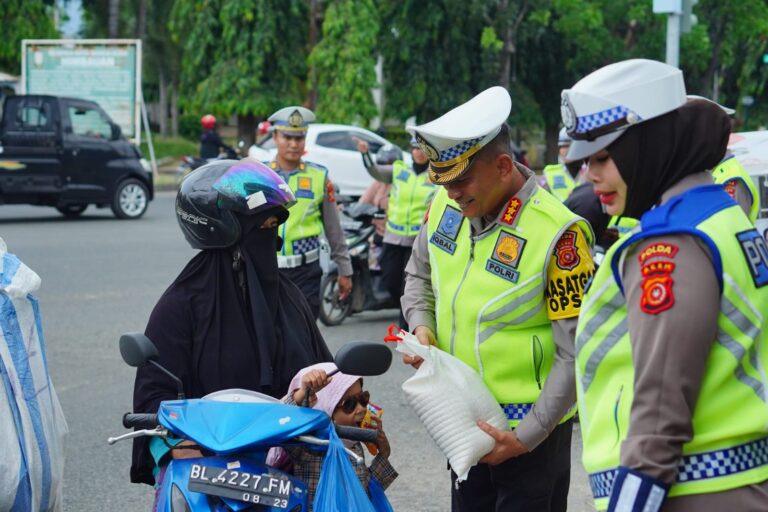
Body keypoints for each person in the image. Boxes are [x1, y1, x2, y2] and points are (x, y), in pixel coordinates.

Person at [562, 58, 768, 511]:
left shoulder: (670, 244)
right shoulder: (720, 214)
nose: (589, 175)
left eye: (602, 157)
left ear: (648, 145)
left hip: (692, 492)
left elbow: (660, 411)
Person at [402, 86, 595, 511]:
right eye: (445, 182)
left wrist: (526, 438)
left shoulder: (559, 234)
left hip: (531, 437)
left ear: (504, 165)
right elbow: (418, 275)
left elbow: (575, 351)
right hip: (463, 425)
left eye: (462, 181)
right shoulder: (445, 205)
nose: (452, 193)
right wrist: (422, 327)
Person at [130, 160, 333, 488]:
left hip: (293, 469)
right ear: (229, 238)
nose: (271, 241)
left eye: (274, 228)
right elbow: (154, 397)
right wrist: (176, 445)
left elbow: (327, 374)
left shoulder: (289, 298)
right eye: (263, 229)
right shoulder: (181, 307)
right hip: (212, 474)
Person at [269, 363, 398, 510]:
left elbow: (363, 495)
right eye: (349, 404)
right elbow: (278, 422)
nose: (361, 409)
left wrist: (384, 455)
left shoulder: (353, 445)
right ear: (326, 407)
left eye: (363, 399)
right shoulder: (309, 447)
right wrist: (301, 394)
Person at [266, 106, 353, 318]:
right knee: (268, 339)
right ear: (275, 137)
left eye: (299, 138)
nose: (294, 144)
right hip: (266, 270)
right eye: (287, 137)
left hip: (306, 273)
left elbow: (333, 229)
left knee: (303, 339)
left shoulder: (319, 177)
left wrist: (345, 269)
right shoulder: (260, 174)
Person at [356, 137, 437, 327]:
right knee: (390, 280)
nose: (419, 152)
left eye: (423, 149)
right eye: (415, 148)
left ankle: (406, 327)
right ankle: (407, 311)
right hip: (393, 237)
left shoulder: (435, 175)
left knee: (407, 284)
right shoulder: (400, 170)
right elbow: (375, 172)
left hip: (417, 240)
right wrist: (365, 154)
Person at [540, 128, 584, 201]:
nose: (564, 150)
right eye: (561, 146)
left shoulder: (593, 172)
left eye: (568, 146)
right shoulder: (550, 174)